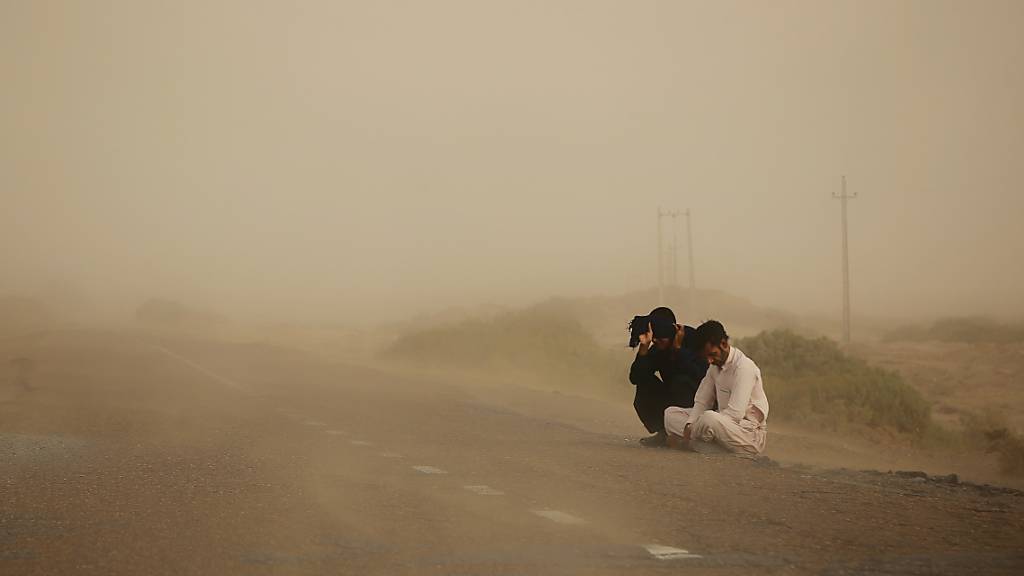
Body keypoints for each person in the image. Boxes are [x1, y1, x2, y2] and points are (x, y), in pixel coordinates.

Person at [664, 320, 769, 455]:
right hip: (720, 426)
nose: (709, 361)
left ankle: (691, 444)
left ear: (723, 344)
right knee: (670, 414)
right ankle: (703, 445)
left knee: (709, 418)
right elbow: (702, 401)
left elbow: (735, 414)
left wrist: (698, 427)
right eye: (706, 356)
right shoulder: (714, 367)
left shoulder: (744, 368)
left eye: (712, 354)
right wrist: (690, 424)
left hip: (747, 434)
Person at [629, 307, 708, 447]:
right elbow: (635, 378)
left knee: (680, 382)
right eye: (654, 338)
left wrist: (678, 350)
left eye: (660, 338)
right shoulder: (659, 348)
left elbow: (702, 375)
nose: (656, 341)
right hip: (674, 398)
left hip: (701, 402)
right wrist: (644, 347)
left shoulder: (694, 341)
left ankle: (684, 433)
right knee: (645, 382)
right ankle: (663, 432)